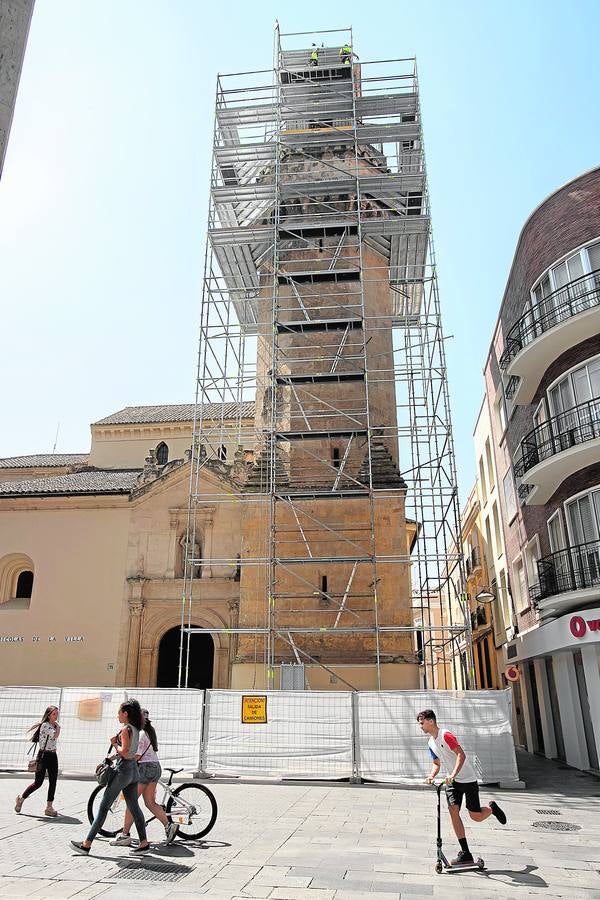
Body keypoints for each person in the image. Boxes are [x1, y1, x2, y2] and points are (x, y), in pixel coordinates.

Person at [417, 709, 507, 866]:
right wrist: (432, 775)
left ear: (431, 721)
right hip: (452, 783)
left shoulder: (446, 735)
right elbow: (436, 763)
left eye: (422, 723)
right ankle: (465, 853)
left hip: (467, 779)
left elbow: (461, 755)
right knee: (453, 811)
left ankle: (492, 809)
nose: (420, 726)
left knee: (476, 816)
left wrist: (453, 773)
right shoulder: (431, 742)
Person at [71, 699, 150, 855]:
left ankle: (86, 844)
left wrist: (115, 744)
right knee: (134, 807)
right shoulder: (135, 728)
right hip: (133, 770)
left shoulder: (125, 729)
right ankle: (143, 843)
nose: (117, 715)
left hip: (123, 771)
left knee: (103, 807)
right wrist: (110, 758)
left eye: (119, 712)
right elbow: (129, 753)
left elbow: (125, 751)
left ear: (125, 713)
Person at [110, 709, 178, 846]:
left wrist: (116, 749)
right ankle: (169, 826)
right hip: (155, 767)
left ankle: (125, 835)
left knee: (131, 801)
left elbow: (136, 756)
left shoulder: (140, 734)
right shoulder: (148, 732)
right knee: (150, 803)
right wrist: (115, 756)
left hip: (145, 769)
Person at [15, 705, 61, 817]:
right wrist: (58, 727)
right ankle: (21, 799)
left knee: (53, 781)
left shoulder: (53, 725)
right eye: (54, 714)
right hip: (44, 755)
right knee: (38, 783)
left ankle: (49, 807)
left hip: (53, 755)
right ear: (48, 715)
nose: (56, 716)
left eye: (57, 714)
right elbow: (55, 735)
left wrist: (57, 726)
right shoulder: (45, 726)